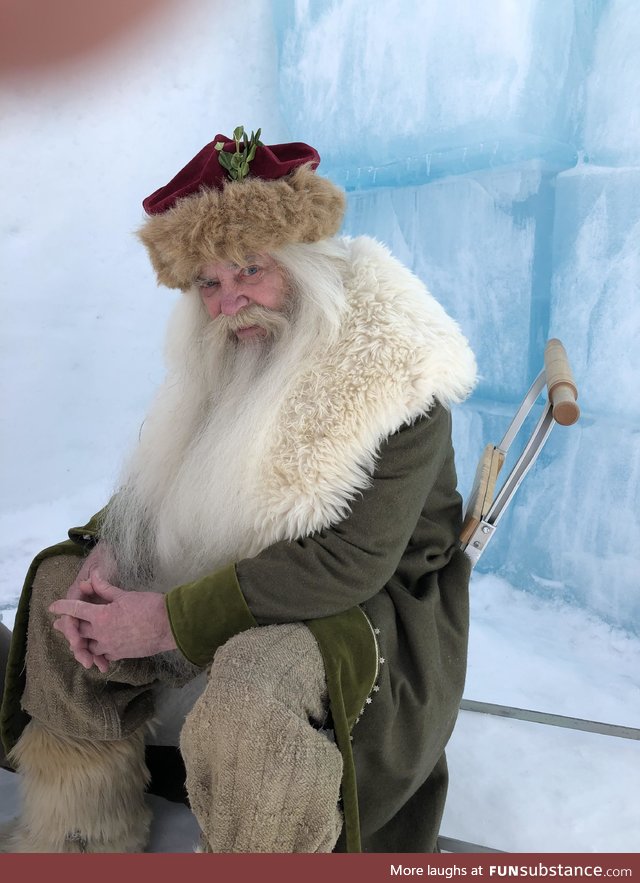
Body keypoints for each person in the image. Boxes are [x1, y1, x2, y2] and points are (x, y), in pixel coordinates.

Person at [0, 126, 477, 853]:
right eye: (210, 282)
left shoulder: (397, 379)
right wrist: (110, 543)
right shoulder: (240, 348)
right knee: (66, 583)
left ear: (302, 263)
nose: (231, 302)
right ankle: (80, 829)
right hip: (247, 575)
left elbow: (350, 563)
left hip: (368, 613)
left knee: (258, 679)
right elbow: (173, 476)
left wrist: (166, 622)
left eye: (251, 269)